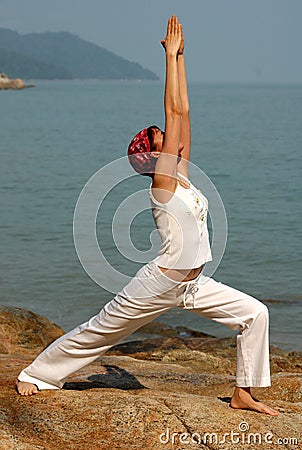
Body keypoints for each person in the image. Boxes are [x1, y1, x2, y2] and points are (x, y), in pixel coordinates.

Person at [16, 16, 278, 416]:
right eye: (161, 138)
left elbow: (183, 113)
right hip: (157, 284)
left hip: (192, 285)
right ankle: (37, 373)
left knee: (255, 313)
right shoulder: (163, 186)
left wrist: (181, 59)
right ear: (153, 156)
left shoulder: (183, 177)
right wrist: (169, 57)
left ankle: (244, 392)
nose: (171, 137)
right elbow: (173, 113)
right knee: (100, 331)